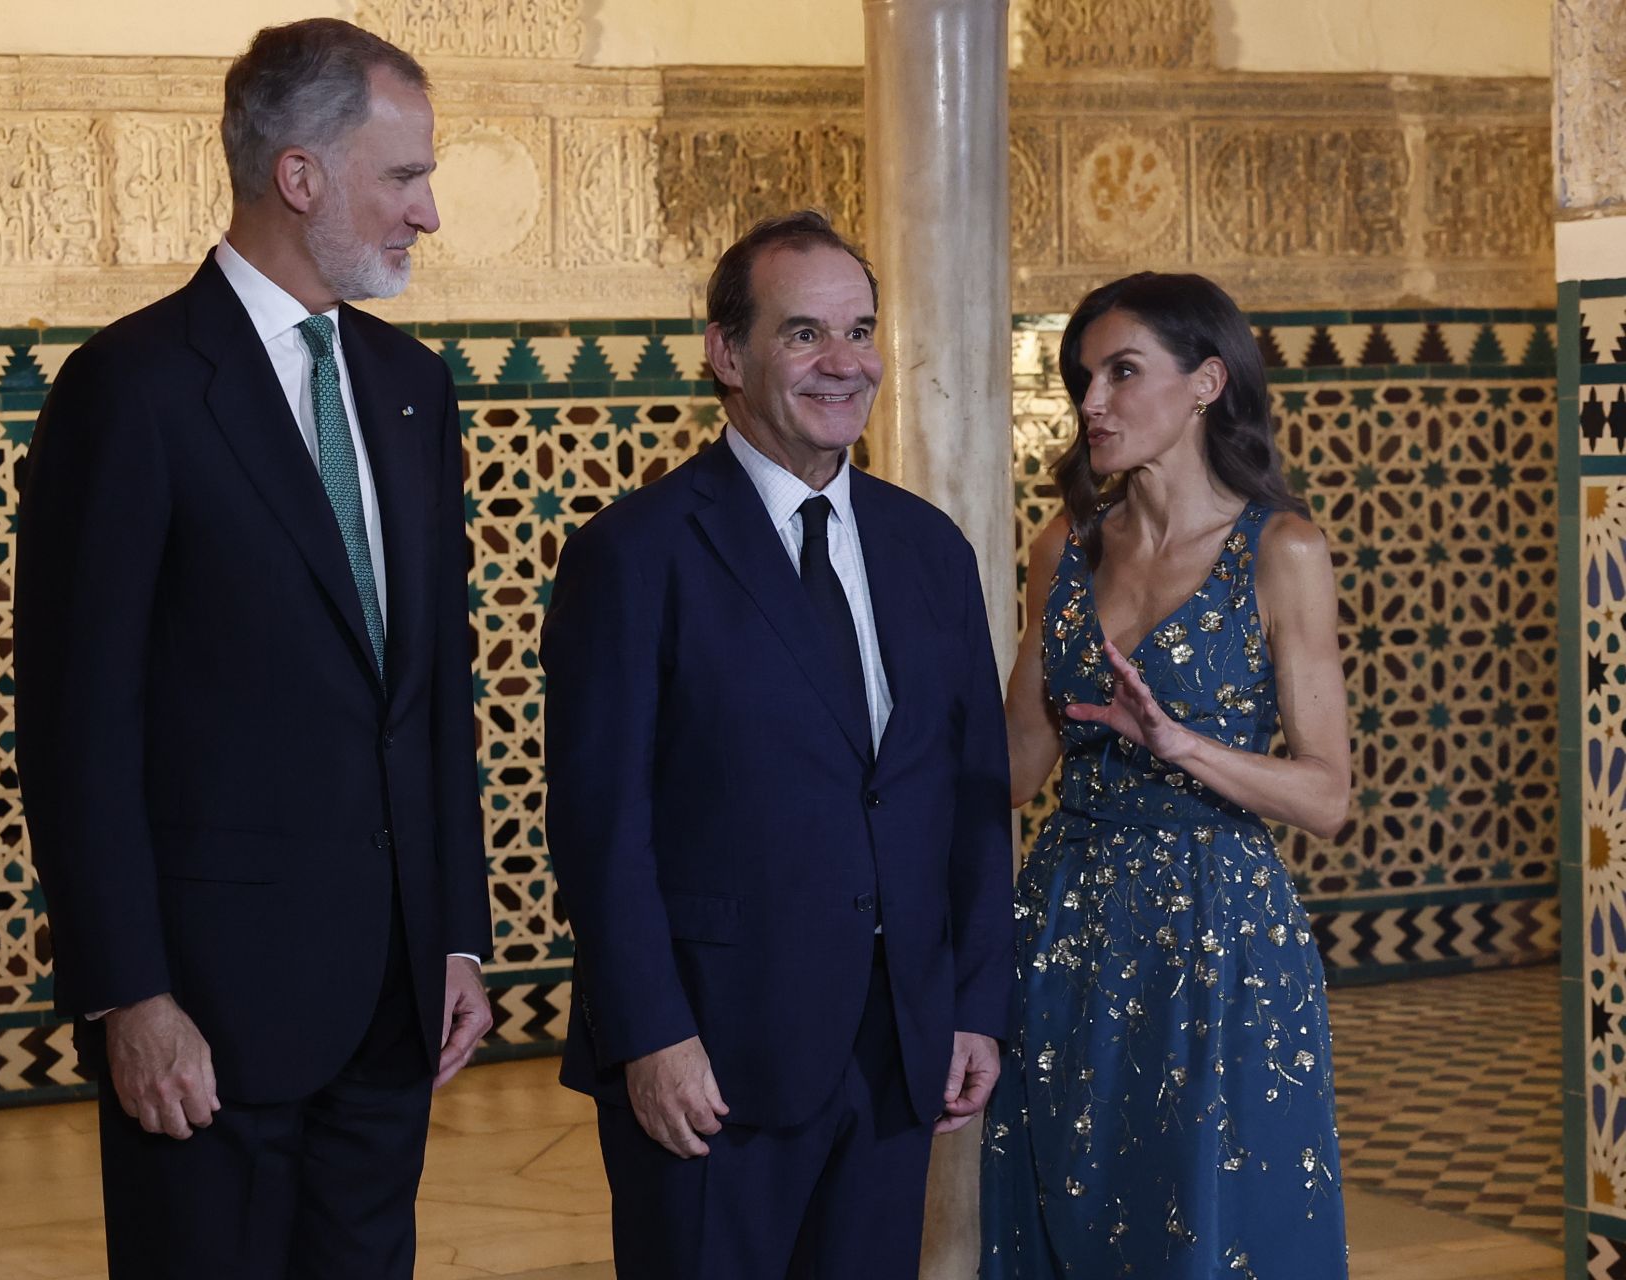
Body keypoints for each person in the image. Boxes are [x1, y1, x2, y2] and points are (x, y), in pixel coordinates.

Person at [13, 19, 492, 1278]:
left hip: (393, 1006)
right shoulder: (132, 388)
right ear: (300, 175)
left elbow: (435, 692)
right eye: (403, 177)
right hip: (208, 1020)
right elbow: (76, 729)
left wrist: (456, 933)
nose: (427, 213)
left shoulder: (412, 385)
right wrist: (130, 994)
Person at [541, 209, 1015, 1278]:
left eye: (861, 330)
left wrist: (976, 1004)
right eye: (804, 333)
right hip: (713, 1056)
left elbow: (970, 798)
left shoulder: (929, 549)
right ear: (726, 352)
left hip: (898, 1053)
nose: (843, 363)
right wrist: (649, 1033)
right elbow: (599, 825)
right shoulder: (635, 552)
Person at [981, 272, 1351, 1278]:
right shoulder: (1064, 546)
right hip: (1063, 919)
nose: (1092, 402)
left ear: (1206, 382)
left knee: (1204, 1220)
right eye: (1083, 378)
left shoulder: (1282, 549)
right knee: (1065, 1206)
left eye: (1123, 372)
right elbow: (1015, 768)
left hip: (1218, 932)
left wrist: (1185, 745)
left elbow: (1326, 795)